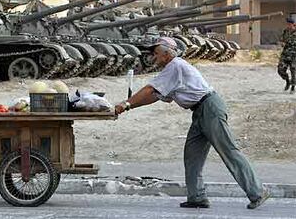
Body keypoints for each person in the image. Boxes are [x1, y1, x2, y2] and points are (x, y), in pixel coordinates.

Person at [115, 37, 270, 209]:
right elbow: (154, 96)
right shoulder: (172, 69)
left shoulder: (175, 66)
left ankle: (257, 191)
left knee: (229, 150)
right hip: (200, 111)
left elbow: (150, 89)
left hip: (209, 108)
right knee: (192, 156)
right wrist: (130, 105)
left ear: (167, 54)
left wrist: (125, 104)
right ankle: (197, 197)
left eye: (156, 54)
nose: (154, 57)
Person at [278, 17, 296, 93]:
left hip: (294, 55)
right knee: (280, 70)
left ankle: (292, 87)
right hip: (285, 54)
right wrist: (281, 43)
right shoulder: (285, 31)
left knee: (293, 71)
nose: (288, 25)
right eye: (287, 24)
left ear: (293, 24)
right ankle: (287, 81)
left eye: (290, 24)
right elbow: (281, 40)